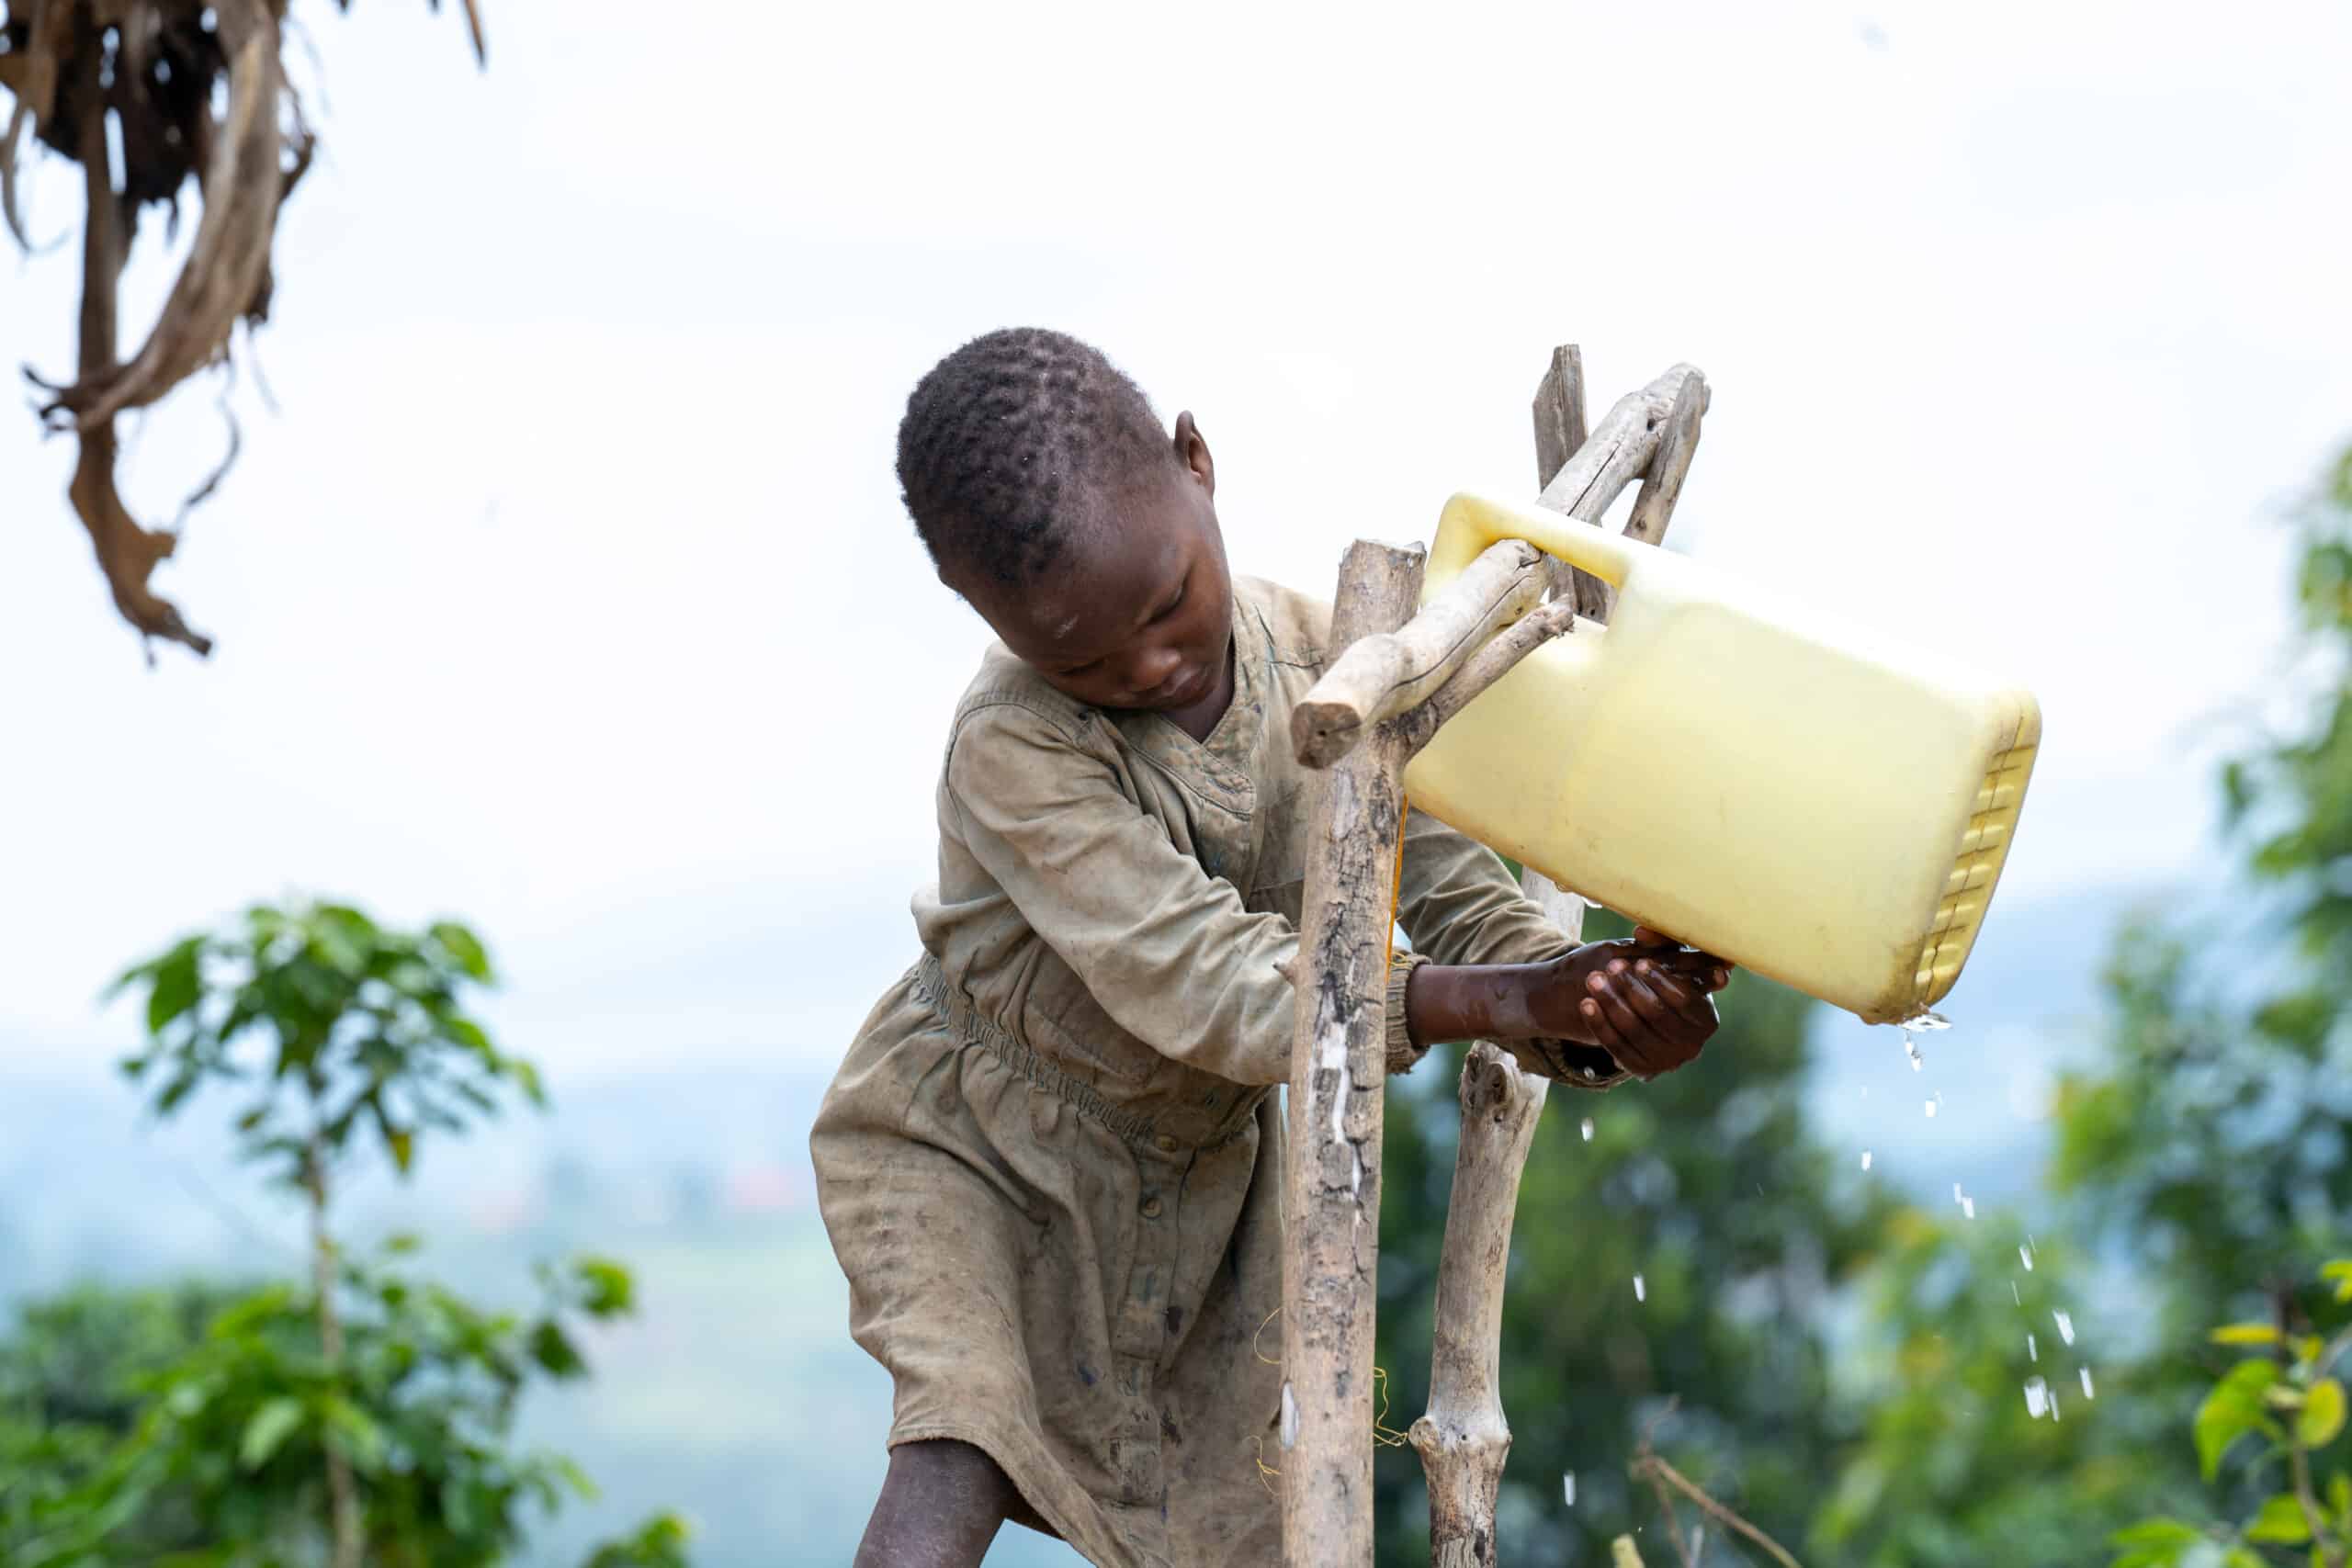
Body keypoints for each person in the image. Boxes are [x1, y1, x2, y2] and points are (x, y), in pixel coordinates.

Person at [811, 328, 1732, 1568]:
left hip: (1212, 1195)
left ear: (1198, 462)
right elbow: (1221, 987)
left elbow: (1460, 899)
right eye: (1080, 658)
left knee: (1255, 1533)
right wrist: (1514, 995)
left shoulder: (1341, 669)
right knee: (958, 1443)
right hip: (982, 1153)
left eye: (1168, 601)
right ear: (987, 621)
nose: (1148, 663)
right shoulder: (1014, 749)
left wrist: (1599, 1004)